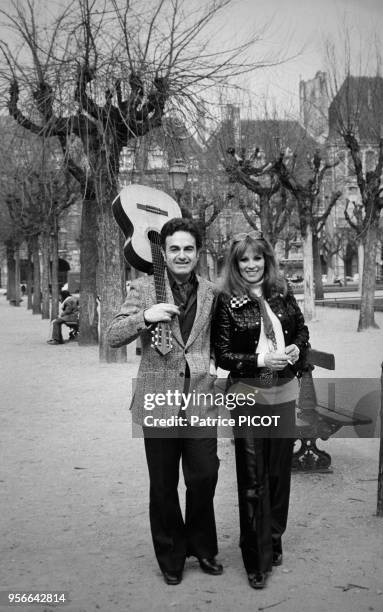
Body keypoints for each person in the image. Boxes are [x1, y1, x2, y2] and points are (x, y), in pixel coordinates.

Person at [107, 218, 222, 586]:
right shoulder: (143, 289)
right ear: (164, 253)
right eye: (174, 248)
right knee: (163, 483)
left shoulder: (211, 292)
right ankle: (171, 554)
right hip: (159, 397)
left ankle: (202, 546)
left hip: (201, 397)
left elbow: (221, 339)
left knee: (204, 475)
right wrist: (145, 316)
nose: (182, 255)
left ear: (198, 253)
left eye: (189, 248)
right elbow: (112, 336)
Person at [213, 230, 309, 590]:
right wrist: (260, 358)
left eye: (257, 258)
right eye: (244, 259)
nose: (251, 265)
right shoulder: (227, 300)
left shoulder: (282, 293)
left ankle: (274, 537)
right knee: (253, 478)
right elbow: (222, 354)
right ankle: (255, 557)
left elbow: (302, 331)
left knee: (278, 475)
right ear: (235, 264)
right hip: (248, 395)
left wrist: (296, 350)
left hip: (283, 392)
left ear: (267, 260)